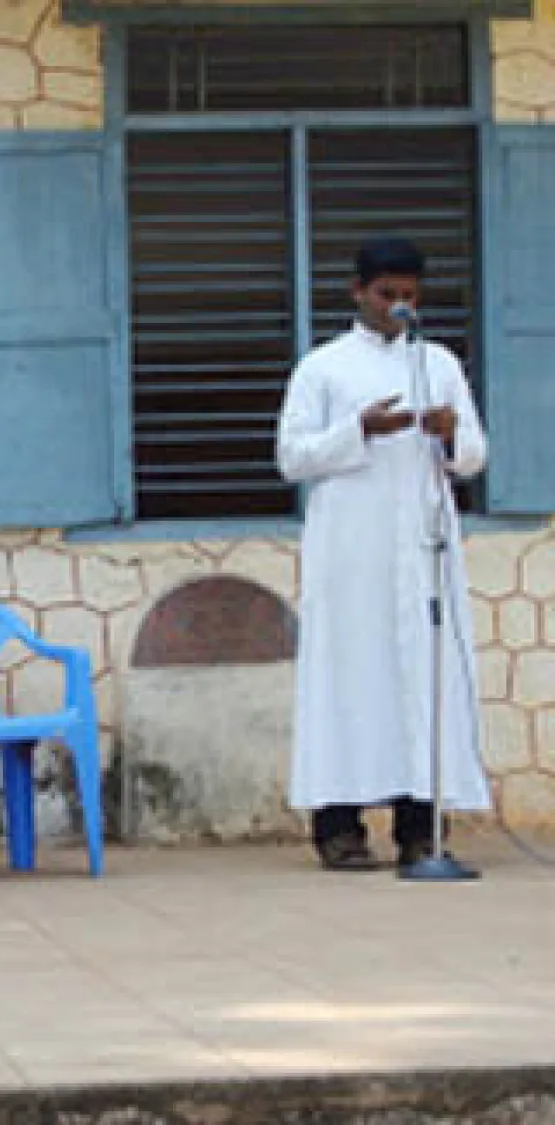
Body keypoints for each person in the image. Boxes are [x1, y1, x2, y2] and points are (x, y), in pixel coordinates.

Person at [277, 237, 491, 872]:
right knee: (350, 677)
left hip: (422, 544)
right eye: (386, 294)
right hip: (352, 550)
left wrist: (453, 436)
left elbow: (475, 454)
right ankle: (339, 828)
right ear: (357, 292)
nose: (399, 306)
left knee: (424, 677)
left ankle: (421, 827)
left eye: (409, 295)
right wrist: (361, 430)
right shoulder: (323, 367)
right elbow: (293, 458)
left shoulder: (439, 364)